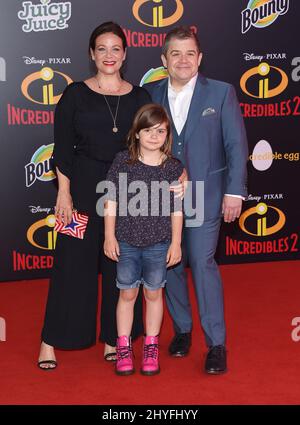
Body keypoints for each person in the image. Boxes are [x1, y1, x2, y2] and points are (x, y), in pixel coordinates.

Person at [38, 22, 151, 369]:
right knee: (71, 262)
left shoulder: (140, 97)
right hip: (82, 189)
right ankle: (50, 341)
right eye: (102, 48)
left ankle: (114, 338)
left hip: (127, 191)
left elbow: (149, 145)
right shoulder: (74, 94)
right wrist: (65, 195)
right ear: (91, 53)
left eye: (115, 48)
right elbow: (63, 149)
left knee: (121, 265)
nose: (109, 55)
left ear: (125, 54)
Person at [144, 27, 248, 374]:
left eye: (190, 53)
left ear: (200, 58)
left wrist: (235, 192)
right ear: (164, 60)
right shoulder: (149, 95)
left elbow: (235, 145)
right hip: (161, 196)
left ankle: (216, 344)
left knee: (203, 265)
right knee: (170, 264)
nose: (183, 60)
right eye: (176, 54)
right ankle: (183, 330)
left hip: (206, 194)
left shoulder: (221, 93)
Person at [103, 104, 184, 375]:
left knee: (153, 293)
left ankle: (151, 345)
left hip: (159, 243)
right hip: (126, 241)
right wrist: (109, 236)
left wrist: (175, 242)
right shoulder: (122, 162)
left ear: (167, 134)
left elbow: (177, 209)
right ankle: (123, 345)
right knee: (127, 293)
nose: (153, 135)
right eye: (147, 130)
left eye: (160, 131)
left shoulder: (173, 167)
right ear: (137, 133)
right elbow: (111, 201)